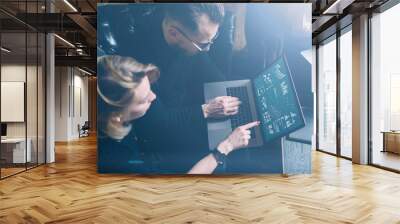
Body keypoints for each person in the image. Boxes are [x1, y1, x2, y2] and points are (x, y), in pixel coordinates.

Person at [97, 3, 245, 173]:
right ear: (174, 33)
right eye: (203, 44)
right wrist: (221, 144)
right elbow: (158, 124)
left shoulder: (187, 36)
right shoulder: (134, 59)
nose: (208, 48)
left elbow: (212, 71)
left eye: (213, 39)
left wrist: (226, 91)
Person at [97, 55, 259, 174]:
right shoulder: (116, 161)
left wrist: (207, 110)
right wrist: (226, 146)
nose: (153, 98)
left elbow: (161, 119)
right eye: (143, 99)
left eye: (150, 89)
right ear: (116, 118)